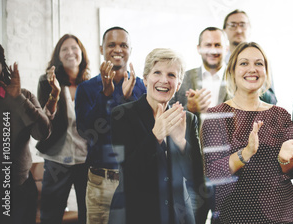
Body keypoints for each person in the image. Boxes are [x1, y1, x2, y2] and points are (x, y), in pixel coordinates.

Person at [201, 42, 293, 223]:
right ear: (231, 71)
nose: (252, 69)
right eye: (244, 63)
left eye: (259, 63)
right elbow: (213, 172)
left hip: (281, 215)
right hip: (235, 214)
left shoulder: (281, 114)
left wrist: (286, 159)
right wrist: (245, 153)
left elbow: (291, 171)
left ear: (266, 71)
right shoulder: (216, 115)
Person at [111, 48, 199, 223]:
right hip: (136, 213)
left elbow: (196, 177)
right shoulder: (122, 115)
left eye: (172, 75)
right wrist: (156, 136)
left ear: (179, 84)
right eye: (157, 72)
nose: (164, 80)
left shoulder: (187, 118)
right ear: (145, 79)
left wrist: (181, 142)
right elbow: (129, 172)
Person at [74, 26, 146, 224]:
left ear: (131, 49)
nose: (117, 49)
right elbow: (86, 131)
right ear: (101, 48)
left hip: (133, 180)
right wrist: (106, 96)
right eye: (111, 44)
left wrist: (126, 100)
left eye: (123, 45)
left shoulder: (141, 87)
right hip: (100, 181)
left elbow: (145, 134)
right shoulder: (87, 89)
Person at [170, 26, 226, 224]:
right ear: (198, 48)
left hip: (226, 171)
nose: (213, 50)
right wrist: (189, 109)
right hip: (192, 170)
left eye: (218, 45)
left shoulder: (238, 78)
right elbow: (168, 117)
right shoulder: (182, 78)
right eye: (208, 45)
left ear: (226, 48)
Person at [0, 40, 51, 223]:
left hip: (19, 191)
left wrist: (18, 99)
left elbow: (42, 133)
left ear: (2, 65)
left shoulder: (24, 96)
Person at [36, 34, 90, 224]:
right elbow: (44, 119)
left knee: (88, 214)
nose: (70, 52)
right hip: (57, 159)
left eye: (74, 48)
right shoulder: (46, 81)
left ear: (81, 52)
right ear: (58, 56)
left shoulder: (91, 84)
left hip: (86, 159)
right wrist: (54, 94)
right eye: (64, 49)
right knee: (51, 215)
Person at [223, 9, 277, 105]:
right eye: (232, 25)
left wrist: (255, 83)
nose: (238, 30)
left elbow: (272, 100)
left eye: (243, 25)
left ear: (250, 29)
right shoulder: (218, 62)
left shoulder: (263, 61)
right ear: (224, 31)